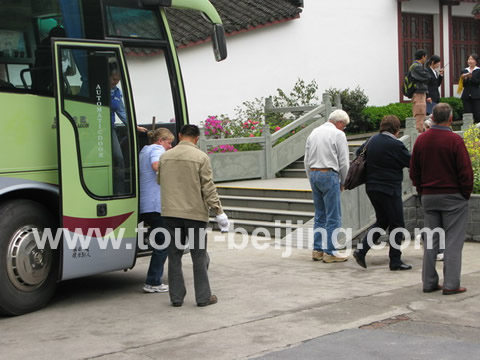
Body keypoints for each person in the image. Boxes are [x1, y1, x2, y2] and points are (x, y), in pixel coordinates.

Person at [157, 124, 229, 307]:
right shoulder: (201, 157)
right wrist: (218, 212)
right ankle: (203, 297)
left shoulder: (165, 157)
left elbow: (160, 181)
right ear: (197, 138)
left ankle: (176, 298)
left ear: (179, 135)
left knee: (174, 256)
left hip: (170, 213)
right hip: (194, 214)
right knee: (199, 256)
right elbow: (208, 188)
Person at [409, 103, 473, 295]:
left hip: (429, 195)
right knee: (453, 240)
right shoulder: (454, 140)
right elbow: (465, 172)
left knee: (431, 239)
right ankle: (451, 284)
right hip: (453, 196)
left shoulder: (421, 140)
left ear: (433, 118)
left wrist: (422, 190)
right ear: (451, 119)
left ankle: (429, 282)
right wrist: (465, 193)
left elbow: (414, 171)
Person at [353, 115, 412, 271]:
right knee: (397, 224)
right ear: (396, 129)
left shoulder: (371, 140)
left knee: (382, 221)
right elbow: (410, 162)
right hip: (389, 189)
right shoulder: (395, 144)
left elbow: (358, 153)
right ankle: (395, 260)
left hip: (372, 187)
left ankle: (361, 250)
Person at [304, 109, 350, 263]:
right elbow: (344, 162)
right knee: (333, 217)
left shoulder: (314, 133)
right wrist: (344, 181)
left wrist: (311, 178)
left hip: (314, 173)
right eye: (344, 126)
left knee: (320, 215)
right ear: (339, 123)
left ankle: (317, 249)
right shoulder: (338, 135)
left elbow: (306, 160)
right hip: (329, 174)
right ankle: (330, 252)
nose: (344, 129)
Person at [140, 128, 174, 293]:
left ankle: (153, 281)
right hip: (155, 204)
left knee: (160, 241)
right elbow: (156, 165)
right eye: (169, 142)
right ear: (160, 140)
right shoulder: (156, 149)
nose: (170, 146)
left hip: (145, 204)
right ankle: (153, 282)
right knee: (163, 242)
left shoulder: (144, 150)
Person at [110, 68, 148, 194]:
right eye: (114, 79)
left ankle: (119, 193)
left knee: (118, 158)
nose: (115, 82)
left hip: (110, 128)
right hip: (94, 129)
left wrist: (134, 126)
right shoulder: (97, 89)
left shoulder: (116, 92)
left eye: (118, 80)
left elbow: (122, 111)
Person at [409, 49, 431, 133]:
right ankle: (419, 135)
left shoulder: (414, 66)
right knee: (420, 115)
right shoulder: (417, 67)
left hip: (418, 94)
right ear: (423, 56)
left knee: (420, 115)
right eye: (425, 57)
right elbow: (427, 77)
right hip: (419, 94)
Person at [459, 54, 480, 123]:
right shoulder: (464, 71)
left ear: (476, 61)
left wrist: (471, 77)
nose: (470, 61)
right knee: (467, 114)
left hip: (476, 95)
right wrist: (465, 78)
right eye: (469, 59)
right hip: (466, 95)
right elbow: (463, 84)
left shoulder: (478, 71)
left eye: (472, 59)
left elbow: (477, 83)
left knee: (477, 114)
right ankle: (468, 130)